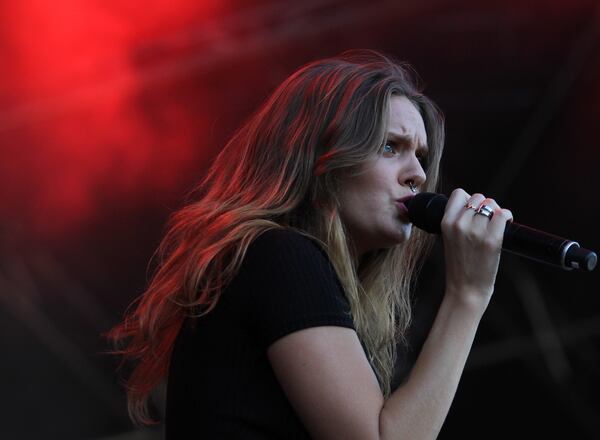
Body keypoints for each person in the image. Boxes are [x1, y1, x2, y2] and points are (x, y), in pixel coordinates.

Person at [107, 49, 513, 439]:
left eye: (421, 157)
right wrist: (467, 294)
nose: (418, 175)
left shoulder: (283, 262)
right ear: (323, 160)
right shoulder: (279, 255)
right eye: (391, 147)